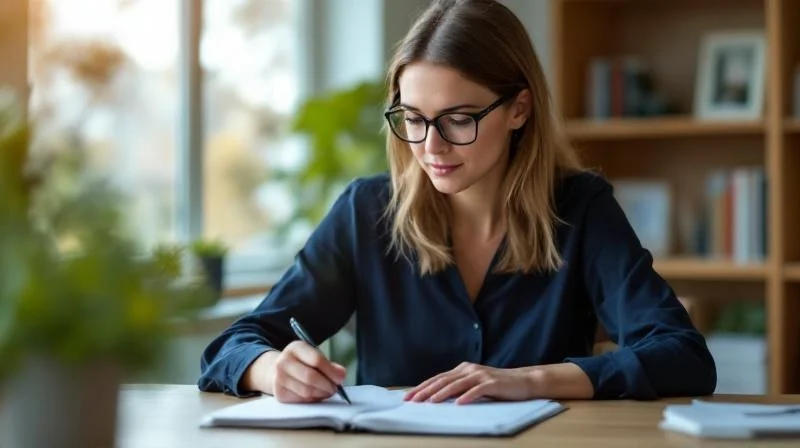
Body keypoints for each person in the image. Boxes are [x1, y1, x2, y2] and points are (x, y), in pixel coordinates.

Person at [198, 0, 716, 405]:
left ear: (519, 109)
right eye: (413, 118)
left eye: (458, 119)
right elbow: (231, 347)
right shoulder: (366, 212)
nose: (430, 146)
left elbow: (684, 356)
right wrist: (272, 369)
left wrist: (530, 381)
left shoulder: (580, 208)